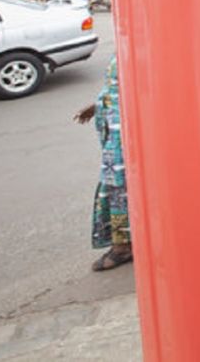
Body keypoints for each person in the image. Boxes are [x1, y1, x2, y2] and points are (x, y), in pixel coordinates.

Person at [76, 56, 132, 271]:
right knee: (116, 187)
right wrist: (98, 105)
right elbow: (116, 88)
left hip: (127, 138)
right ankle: (123, 243)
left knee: (119, 187)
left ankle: (123, 246)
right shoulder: (126, 46)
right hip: (115, 134)